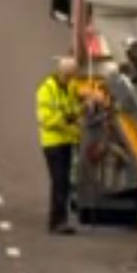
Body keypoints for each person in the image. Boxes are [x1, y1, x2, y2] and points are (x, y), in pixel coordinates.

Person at [37, 55, 93, 235]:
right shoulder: (46, 90)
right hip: (53, 142)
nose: (73, 79)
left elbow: (74, 106)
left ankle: (62, 219)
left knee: (65, 182)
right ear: (65, 74)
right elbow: (47, 119)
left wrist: (84, 105)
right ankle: (57, 221)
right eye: (72, 75)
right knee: (59, 181)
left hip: (67, 140)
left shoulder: (69, 86)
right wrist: (71, 118)